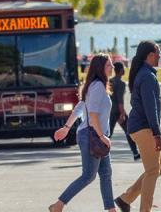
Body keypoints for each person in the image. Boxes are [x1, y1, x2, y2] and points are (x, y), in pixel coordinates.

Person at [49, 54, 116, 212]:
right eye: (109, 65)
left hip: (94, 135)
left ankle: (111, 209)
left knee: (106, 173)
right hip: (92, 136)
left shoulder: (94, 85)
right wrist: (102, 137)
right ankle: (58, 205)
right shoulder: (98, 86)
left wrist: (66, 128)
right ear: (100, 68)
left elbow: (80, 108)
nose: (112, 68)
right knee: (88, 175)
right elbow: (92, 116)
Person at [114, 41, 161, 212]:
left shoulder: (145, 74)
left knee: (159, 168)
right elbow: (150, 107)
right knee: (152, 171)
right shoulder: (147, 76)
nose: (160, 55)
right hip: (144, 129)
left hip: (143, 127)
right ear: (150, 55)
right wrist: (157, 134)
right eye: (158, 52)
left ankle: (125, 199)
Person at [109, 61, 140, 160]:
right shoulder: (121, 83)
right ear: (120, 70)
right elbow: (120, 100)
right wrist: (122, 113)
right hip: (118, 111)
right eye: (123, 68)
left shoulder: (110, 81)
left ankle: (100, 153)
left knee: (108, 133)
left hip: (110, 111)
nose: (124, 70)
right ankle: (135, 153)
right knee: (129, 131)